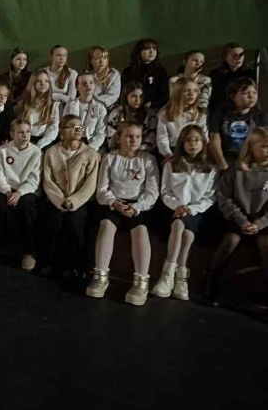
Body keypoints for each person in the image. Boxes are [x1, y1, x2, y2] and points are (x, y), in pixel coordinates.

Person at [86, 122, 159, 306]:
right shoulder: (110, 158)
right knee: (106, 226)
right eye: (129, 136)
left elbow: (152, 191)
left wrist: (137, 206)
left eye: (137, 137)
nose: (133, 140)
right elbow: (102, 190)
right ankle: (100, 276)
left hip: (138, 205)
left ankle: (141, 282)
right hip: (115, 202)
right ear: (119, 138)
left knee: (140, 230)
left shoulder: (148, 160)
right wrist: (113, 202)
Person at [151, 126, 216, 300]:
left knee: (184, 229)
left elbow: (210, 197)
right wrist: (178, 206)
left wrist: (191, 209)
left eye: (196, 140)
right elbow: (165, 192)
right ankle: (176, 275)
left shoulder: (210, 167)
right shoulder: (172, 164)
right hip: (173, 210)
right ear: (181, 143)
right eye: (188, 140)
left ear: (203, 142)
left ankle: (172, 274)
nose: (192, 144)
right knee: (181, 227)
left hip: (197, 212)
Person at [205, 127, 268, 304]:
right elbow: (224, 198)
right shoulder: (236, 169)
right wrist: (242, 221)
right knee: (230, 240)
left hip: (263, 221)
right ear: (251, 147)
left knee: (266, 244)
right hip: (238, 218)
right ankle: (211, 281)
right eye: (264, 146)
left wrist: (259, 224)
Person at [41, 114, 100, 277]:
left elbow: (90, 185)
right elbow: (48, 180)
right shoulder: (52, 152)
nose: (77, 129)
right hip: (57, 200)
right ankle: (49, 262)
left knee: (75, 223)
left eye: (80, 126)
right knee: (53, 222)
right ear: (62, 130)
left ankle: (75, 266)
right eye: (72, 126)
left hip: (79, 201)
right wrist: (60, 200)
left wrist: (73, 201)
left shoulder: (90, 154)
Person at [0, 118, 42, 270]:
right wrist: (7, 191)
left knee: (28, 208)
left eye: (28, 131)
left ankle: (29, 252)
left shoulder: (36, 152)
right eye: (21, 132)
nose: (25, 135)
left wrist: (19, 193)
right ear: (12, 134)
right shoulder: (3, 150)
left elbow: (34, 179)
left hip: (26, 190)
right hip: (7, 188)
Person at [209, 77, 266, 170]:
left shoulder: (260, 116)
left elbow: (263, 142)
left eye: (254, 93)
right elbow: (214, 138)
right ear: (232, 96)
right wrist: (222, 163)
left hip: (251, 163)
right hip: (226, 160)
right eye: (245, 93)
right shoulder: (221, 113)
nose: (251, 96)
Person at [155, 78, 208, 161]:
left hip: (195, 151)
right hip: (173, 152)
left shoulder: (200, 113)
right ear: (178, 93)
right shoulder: (165, 113)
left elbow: (204, 136)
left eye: (195, 91)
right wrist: (169, 156)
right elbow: (162, 138)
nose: (191, 94)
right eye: (187, 91)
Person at [62, 72, 107, 151]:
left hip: (92, 142)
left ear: (94, 85)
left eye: (91, 82)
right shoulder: (70, 105)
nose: (88, 85)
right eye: (83, 83)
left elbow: (100, 133)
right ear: (77, 87)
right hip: (73, 142)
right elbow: (65, 128)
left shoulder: (100, 108)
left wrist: (89, 148)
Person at [106, 82, 156, 153]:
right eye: (133, 96)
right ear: (126, 97)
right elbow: (111, 140)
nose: (138, 100)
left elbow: (151, 138)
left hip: (142, 152)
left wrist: (137, 151)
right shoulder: (116, 114)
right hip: (120, 152)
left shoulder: (150, 114)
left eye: (141, 96)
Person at [16, 70, 59, 149]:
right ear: (33, 83)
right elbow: (17, 125)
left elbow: (53, 129)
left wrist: (41, 144)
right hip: (25, 139)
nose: (43, 83)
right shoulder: (23, 104)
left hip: (44, 140)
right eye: (39, 81)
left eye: (46, 81)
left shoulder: (54, 105)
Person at [122, 39, 169, 109]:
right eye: (147, 48)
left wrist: (153, 104)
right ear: (139, 51)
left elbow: (164, 95)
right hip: (131, 108)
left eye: (154, 48)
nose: (151, 52)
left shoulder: (161, 71)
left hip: (153, 109)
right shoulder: (128, 71)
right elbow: (124, 93)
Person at [209, 42, 255, 112]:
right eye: (234, 55)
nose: (238, 58)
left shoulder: (249, 73)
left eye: (241, 55)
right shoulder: (216, 74)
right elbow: (214, 97)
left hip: (244, 109)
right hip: (222, 110)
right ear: (225, 58)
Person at [87, 46, 121, 110]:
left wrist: (97, 102)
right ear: (91, 61)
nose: (101, 61)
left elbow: (113, 96)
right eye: (97, 58)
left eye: (104, 58)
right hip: (91, 108)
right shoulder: (87, 76)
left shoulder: (114, 74)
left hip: (110, 108)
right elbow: (86, 95)